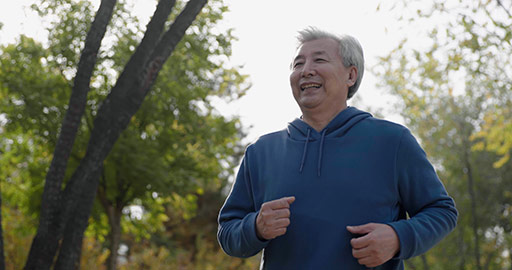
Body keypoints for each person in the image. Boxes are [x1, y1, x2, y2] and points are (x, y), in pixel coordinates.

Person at [217, 27, 457, 270]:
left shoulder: (393, 141)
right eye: (298, 64)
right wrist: (256, 227)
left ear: (350, 76)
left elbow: (441, 211)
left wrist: (398, 238)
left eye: (319, 59)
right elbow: (228, 232)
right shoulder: (261, 152)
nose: (306, 70)